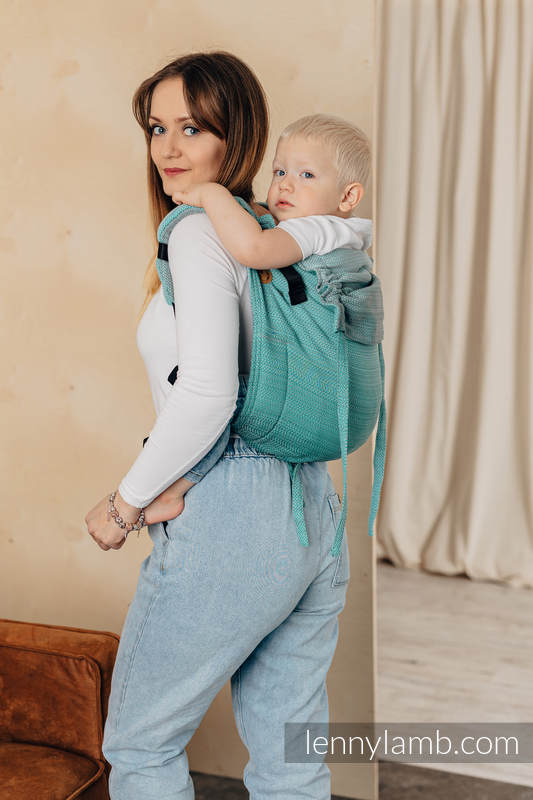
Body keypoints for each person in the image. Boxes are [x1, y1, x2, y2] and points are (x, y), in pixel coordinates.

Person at [85, 51, 367, 800]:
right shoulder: (277, 232)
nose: (169, 148)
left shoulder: (201, 232)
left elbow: (210, 395)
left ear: (235, 136)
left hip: (234, 516)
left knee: (141, 746)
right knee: (290, 761)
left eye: (193, 128)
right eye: (157, 128)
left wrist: (125, 503)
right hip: (314, 508)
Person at [142, 112, 374, 524]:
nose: (285, 185)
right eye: (280, 171)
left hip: (308, 405)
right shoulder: (339, 232)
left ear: (348, 197)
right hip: (337, 413)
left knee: (228, 400)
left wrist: (212, 195)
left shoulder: (317, 230)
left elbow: (254, 249)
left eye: (306, 175)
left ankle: (174, 486)